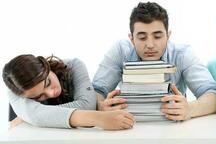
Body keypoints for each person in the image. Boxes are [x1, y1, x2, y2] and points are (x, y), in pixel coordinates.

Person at [92, 2, 216, 121]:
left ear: (168, 36)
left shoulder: (182, 54)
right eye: (142, 37)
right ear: (131, 39)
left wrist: (190, 109)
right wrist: (101, 107)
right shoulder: (120, 51)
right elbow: (96, 90)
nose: (150, 44)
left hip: (172, 129)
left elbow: (215, 95)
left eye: (157, 36)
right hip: (131, 126)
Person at [2, 54, 134, 130]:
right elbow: (35, 116)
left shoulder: (74, 66)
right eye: (38, 97)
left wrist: (30, 116)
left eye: (48, 83)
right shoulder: (16, 89)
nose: (51, 93)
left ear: (46, 66)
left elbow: (88, 104)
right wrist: (98, 117)